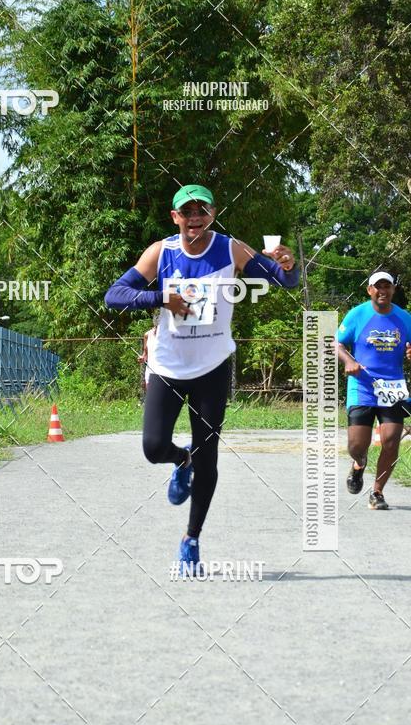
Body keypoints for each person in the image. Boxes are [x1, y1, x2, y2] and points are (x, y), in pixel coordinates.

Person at [104, 184, 299, 574]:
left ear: (212, 214)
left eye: (202, 211)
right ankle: (181, 460)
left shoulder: (231, 249)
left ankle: (191, 539)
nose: (195, 218)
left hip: (211, 366)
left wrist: (288, 264)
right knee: (153, 446)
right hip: (167, 366)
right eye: (186, 211)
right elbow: (115, 295)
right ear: (174, 217)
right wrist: (160, 298)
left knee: (209, 457)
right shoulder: (161, 252)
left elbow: (283, 282)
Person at [337, 271, 411, 509]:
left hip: (392, 387)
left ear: (393, 290)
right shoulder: (358, 314)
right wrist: (349, 361)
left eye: (387, 286)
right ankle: (359, 465)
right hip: (362, 387)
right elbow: (337, 343)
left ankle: (377, 492)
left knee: (391, 442)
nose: (382, 291)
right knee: (357, 446)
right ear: (369, 290)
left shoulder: (404, 318)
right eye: (377, 287)